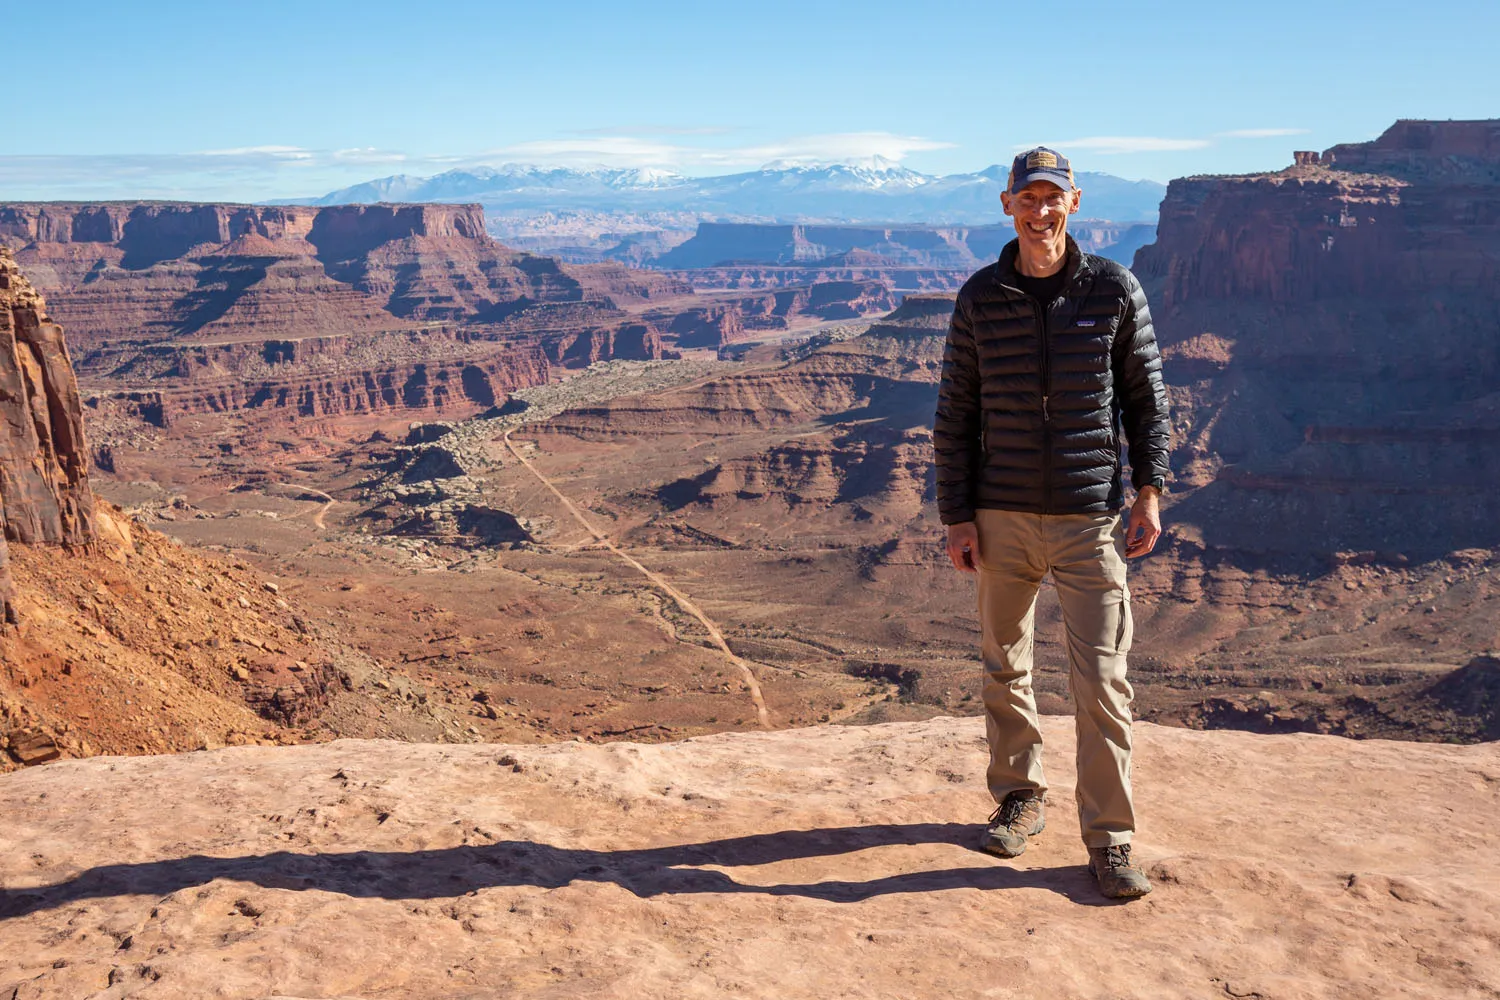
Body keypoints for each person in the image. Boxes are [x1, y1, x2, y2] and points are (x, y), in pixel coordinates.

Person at [932, 146, 1170, 899]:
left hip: (1087, 517)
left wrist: (1150, 492)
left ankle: (1110, 840)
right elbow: (955, 416)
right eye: (1027, 199)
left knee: (1102, 679)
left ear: (1075, 204)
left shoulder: (1113, 289)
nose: (1040, 212)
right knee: (1006, 664)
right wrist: (958, 516)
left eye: (1053, 198)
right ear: (1007, 206)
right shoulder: (980, 297)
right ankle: (1019, 795)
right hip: (1000, 515)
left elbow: (1146, 398)